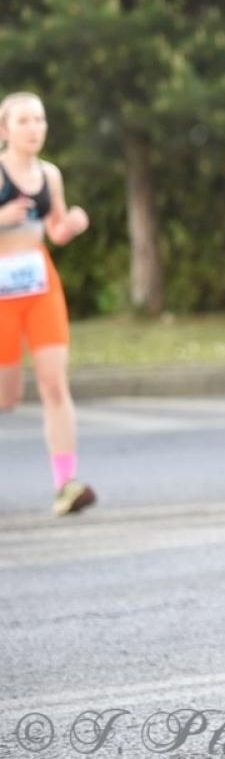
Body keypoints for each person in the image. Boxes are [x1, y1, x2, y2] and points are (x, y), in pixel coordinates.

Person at [0, 92, 95, 516]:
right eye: (23, 121)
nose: (34, 128)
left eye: (39, 119)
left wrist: (71, 225)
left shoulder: (50, 175)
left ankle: (66, 484)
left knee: (55, 384)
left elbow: (54, 230)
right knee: (6, 395)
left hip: (40, 284)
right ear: (5, 130)